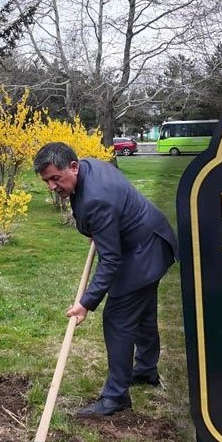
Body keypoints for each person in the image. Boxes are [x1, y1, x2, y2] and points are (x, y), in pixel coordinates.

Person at [33, 142, 178, 416]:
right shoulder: (89, 166)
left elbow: (110, 260)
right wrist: (101, 231)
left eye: (56, 178)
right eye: (46, 181)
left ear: (73, 166)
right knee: (143, 312)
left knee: (119, 319)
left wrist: (85, 303)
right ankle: (146, 370)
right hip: (152, 241)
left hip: (142, 252)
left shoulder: (96, 200)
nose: (52, 186)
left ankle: (115, 397)